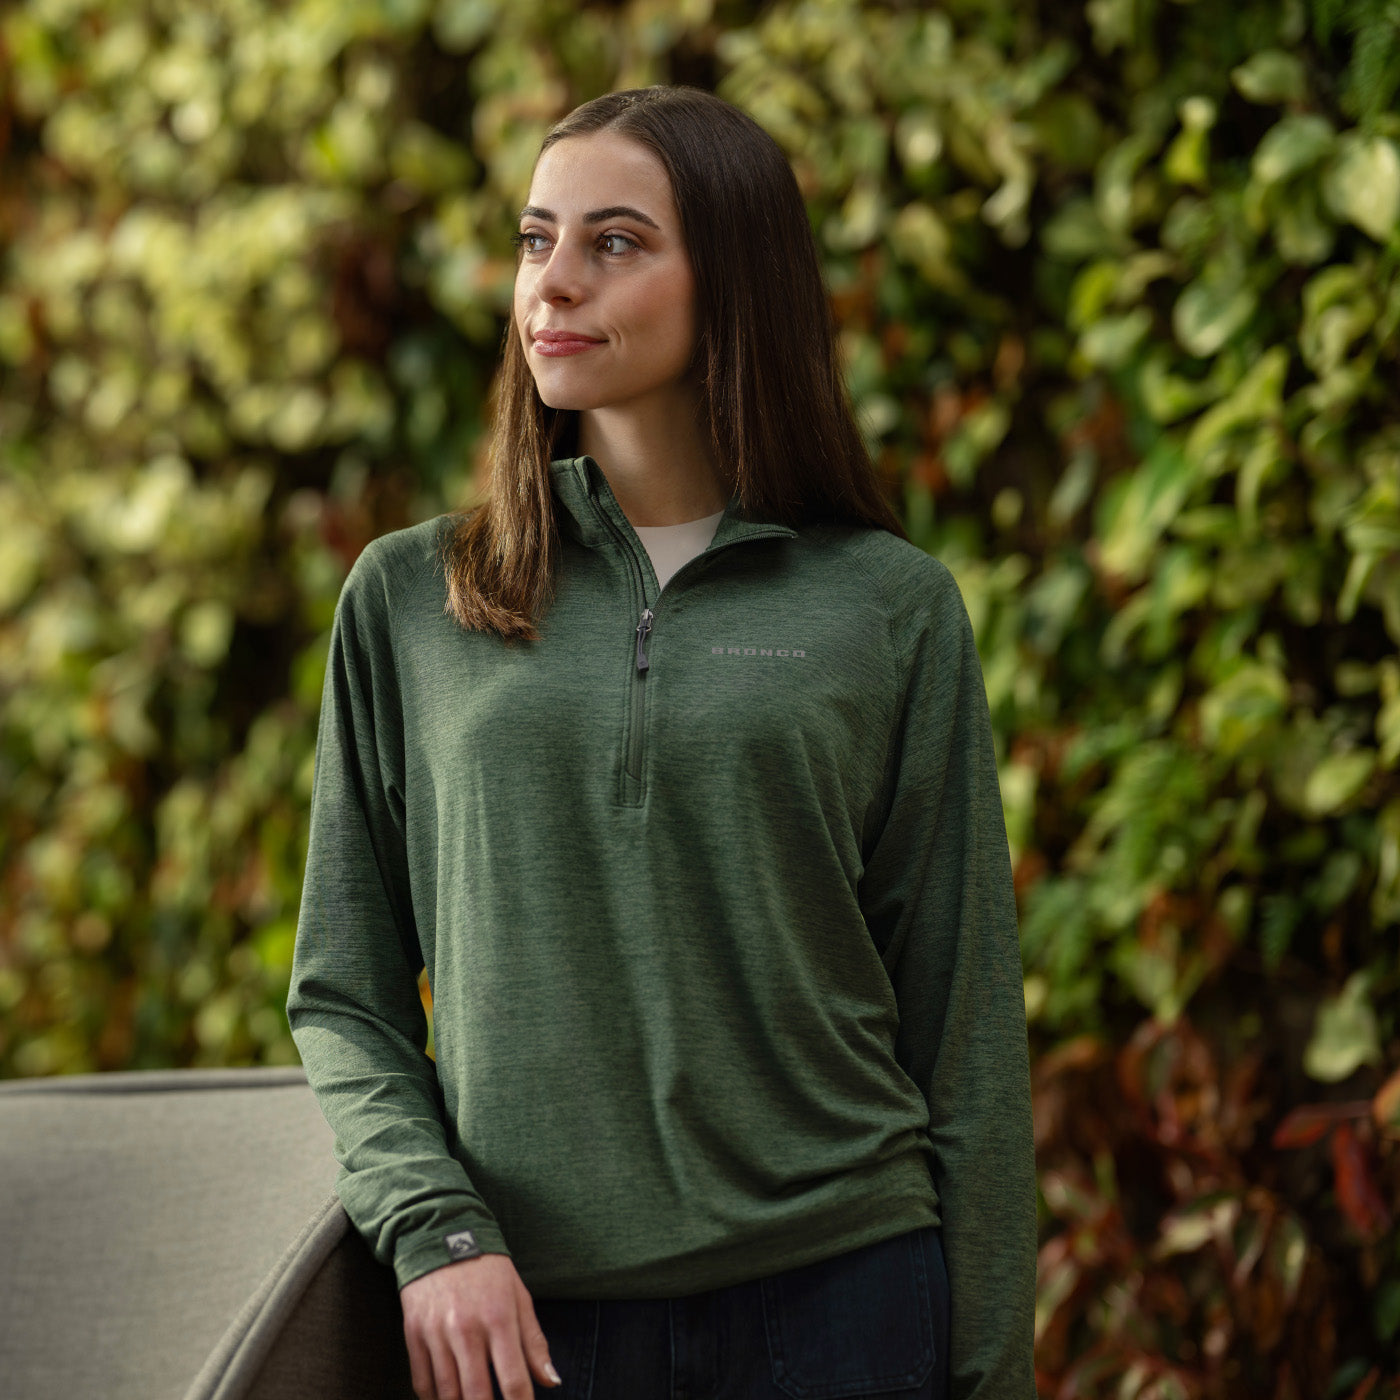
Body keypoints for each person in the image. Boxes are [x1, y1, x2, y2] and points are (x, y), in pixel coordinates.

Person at [287, 84, 1036, 1400]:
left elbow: (965, 1039)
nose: (554, 283)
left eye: (614, 243)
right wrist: (433, 1229)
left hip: (848, 1302)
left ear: (733, 283)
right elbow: (344, 997)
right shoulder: (411, 599)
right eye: (535, 240)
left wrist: (990, 1374)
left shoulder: (888, 608)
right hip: (529, 1333)